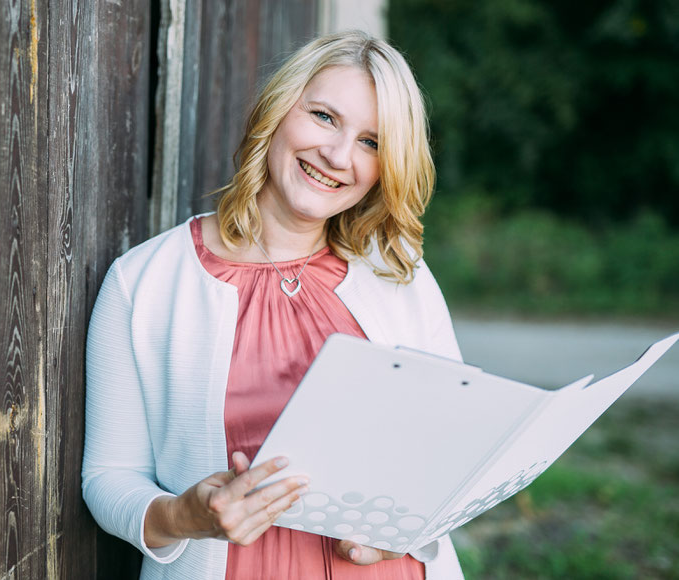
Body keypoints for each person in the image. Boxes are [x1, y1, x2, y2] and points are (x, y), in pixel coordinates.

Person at [82, 30, 466, 579]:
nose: (337, 156)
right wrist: (186, 515)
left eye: (372, 142)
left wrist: (406, 532)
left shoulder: (399, 273)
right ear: (278, 109)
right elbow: (108, 478)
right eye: (325, 117)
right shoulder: (144, 282)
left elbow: (454, 447)